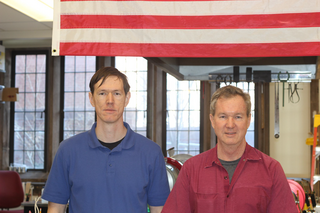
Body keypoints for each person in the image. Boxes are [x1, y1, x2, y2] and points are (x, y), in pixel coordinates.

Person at [42, 67, 170, 213]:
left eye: (117, 93)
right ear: (91, 99)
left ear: (127, 98)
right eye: (102, 93)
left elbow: (159, 209)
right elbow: (55, 209)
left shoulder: (151, 152)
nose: (110, 101)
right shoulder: (68, 151)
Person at [162, 85, 297, 213]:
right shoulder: (191, 170)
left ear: (248, 120)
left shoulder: (271, 170)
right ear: (212, 120)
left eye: (238, 117)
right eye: (223, 117)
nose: (230, 125)